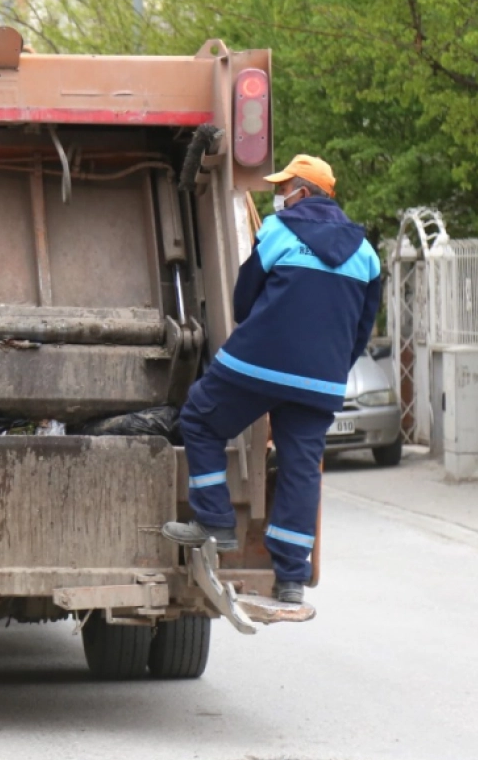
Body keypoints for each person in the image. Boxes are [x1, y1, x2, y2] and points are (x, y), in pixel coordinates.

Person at [161, 154, 381, 606]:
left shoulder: (279, 232)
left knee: (201, 418)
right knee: (301, 468)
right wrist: (327, 369)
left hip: (258, 363)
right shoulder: (367, 253)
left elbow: (244, 300)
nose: (279, 195)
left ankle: (217, 522)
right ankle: (291, 579)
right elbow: (361, 330)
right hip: (320, 379)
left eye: (284, 188)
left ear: (302, 193)